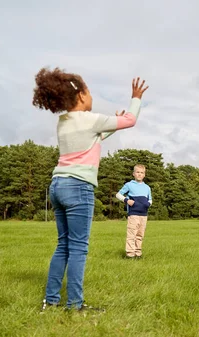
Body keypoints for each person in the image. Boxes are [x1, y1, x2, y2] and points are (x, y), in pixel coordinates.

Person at [32, 67, 149, 311]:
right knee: (78, 248)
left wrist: (110, 128)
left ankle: (51, 301)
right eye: (90, 91)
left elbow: (93, 140)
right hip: (78, 188)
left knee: (63, 244)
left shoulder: (63, 122)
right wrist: (136, 98)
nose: (92, 96)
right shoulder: (92, 119)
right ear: (82, 96)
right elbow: (130, 120)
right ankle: (75, 304)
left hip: (58, 185)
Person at [116, 164, 152, 259]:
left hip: (143, 215)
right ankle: (130, 254)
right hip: (133, 214)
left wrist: (148, 204)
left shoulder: (147, 187)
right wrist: (126, 200)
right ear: (133, 174)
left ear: (144, 174)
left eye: (142, 173)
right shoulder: (129, 185)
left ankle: (138, 253)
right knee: (132, 234)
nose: (140, 174)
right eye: (138, 172)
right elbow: (118, 195)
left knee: (140, 234)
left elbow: (150, 200)